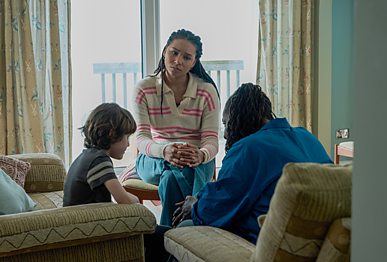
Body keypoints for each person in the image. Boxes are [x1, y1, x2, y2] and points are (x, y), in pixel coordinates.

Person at [172, 83, 333, 244]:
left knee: (185, 227)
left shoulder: (248, 148)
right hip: (318, 240)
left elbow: (215, 208)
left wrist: (194, 205)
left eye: (226, 124)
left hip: (266, 243)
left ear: (239, 120)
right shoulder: (307, 137)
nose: (226, 134)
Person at [133, 29, 220, 226]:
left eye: (186, 57)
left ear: (194, 62)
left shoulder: (206, 92)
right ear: (164, 52)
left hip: (196, 159)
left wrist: (202, 155)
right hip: (154, 158)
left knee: (171, 180)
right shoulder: (144, 89)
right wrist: (165, 151)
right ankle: (197, 214)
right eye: (174, 53)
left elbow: (211, 140)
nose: (178, 60)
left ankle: (164, 236)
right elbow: (142, 138)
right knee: (174, 169)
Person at [63, 103, 139, 206]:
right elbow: (124, 200)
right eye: (127, 137)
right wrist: (137, 200)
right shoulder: (99, 160)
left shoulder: (88, 156)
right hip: (85, 220)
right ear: (112, 134)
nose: (128, 144)